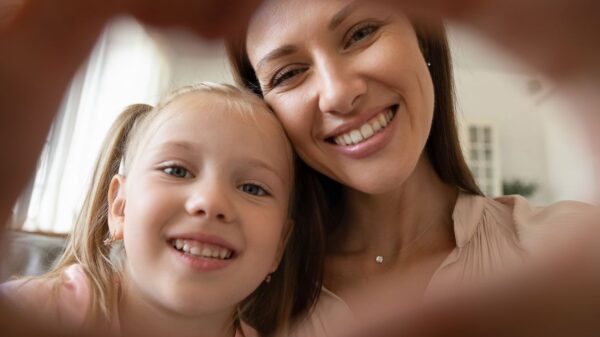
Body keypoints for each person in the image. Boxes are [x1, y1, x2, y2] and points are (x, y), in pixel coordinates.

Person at [226, 0, 599, 327]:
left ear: (421, 36)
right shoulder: (241, 302)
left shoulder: (573, 253)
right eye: (288, 74)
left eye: (361, 33)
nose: (338, 93)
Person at [1, 83, 326, 337]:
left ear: (279, 248)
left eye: (253, 188)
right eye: (176, 171)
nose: (210, 202)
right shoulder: (30, 313)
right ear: (120, 207)